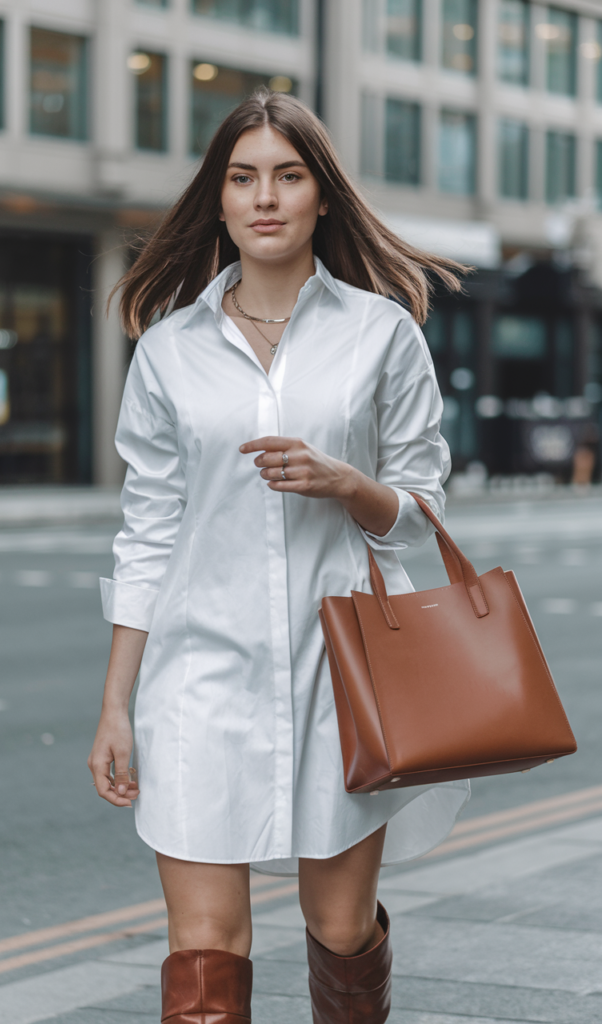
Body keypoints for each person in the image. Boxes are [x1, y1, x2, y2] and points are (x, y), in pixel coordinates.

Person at [88, 89, 470, 1024]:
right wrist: (116, 704)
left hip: (341, 673)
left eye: (288, 176)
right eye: (243, 177)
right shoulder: (170, 351)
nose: (266, 197)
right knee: (206, 945)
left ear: (322, 196)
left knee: (340, 928)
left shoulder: (380, 334)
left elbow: (422, 512)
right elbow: (147, 531)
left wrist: (350, 484)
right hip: (198, 675)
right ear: (217, 200)